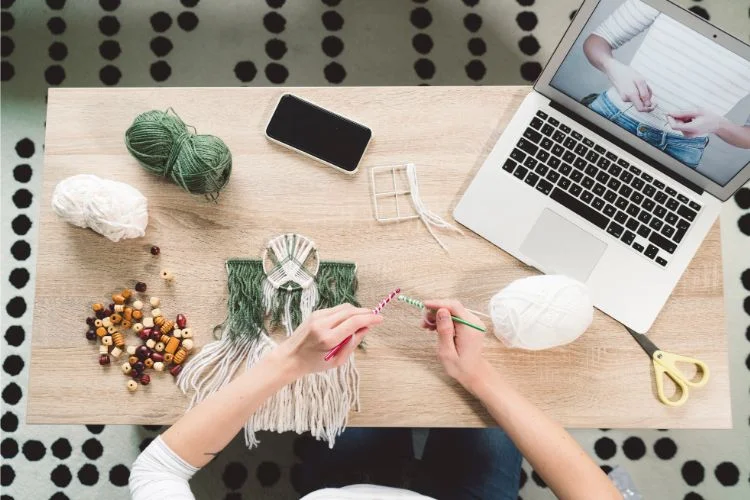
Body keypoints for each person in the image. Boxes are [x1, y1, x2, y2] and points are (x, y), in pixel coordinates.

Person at [129, 301, 620, 499]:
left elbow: (155, 473)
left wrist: (288, 363)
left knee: (363, 399)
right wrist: (479, 377)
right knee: (478, 423)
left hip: (342, 488)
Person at [582, 0, 750, 169]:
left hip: (679, 151)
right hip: (609, 115)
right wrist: (611, 66)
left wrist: (718, 125)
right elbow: (597, 40)